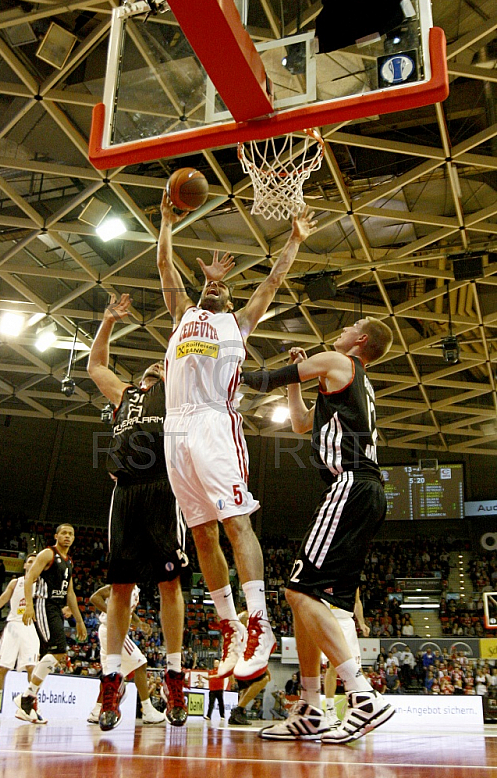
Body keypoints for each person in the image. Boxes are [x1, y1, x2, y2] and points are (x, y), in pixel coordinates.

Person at [157, 191, 318, 681]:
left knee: (233, 523)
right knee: (201, 531)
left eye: (223, 292)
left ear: (228, 300)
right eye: (211, 289)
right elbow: (165, 267)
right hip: (175, 426)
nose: (215, 293)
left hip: (213, 421)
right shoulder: (183, 313)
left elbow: (273, 280)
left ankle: (258, 622)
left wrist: (293, 240)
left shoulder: (238, 322)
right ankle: (229, 625)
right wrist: (167, 221)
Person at [240, 316, 395, 743]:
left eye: (353, 325)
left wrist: (223, 371)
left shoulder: (337, 360)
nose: (344, 326)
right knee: (306, 599)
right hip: (364, 490)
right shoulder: (351, 378)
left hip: (349, 484)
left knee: (297, 591)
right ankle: (310, 708)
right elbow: (302, 424)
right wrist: (298, 383)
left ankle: (362, 697)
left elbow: (264, 377)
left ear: (360, 340)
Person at [87, 298, 188, 729]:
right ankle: (111, 679)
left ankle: (176, 675)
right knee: (120, 588)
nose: (156, 372)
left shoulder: (179, 393)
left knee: (169, 584)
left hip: (165, 488)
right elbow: (95, 366)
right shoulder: (125, 396)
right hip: (126, 491)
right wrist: (108, 322)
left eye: (161, 369)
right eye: (151, 371)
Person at [14, 523, 87, 724]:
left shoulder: (69, 562)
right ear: (56, 535)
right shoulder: (48, 554)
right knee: (58, 650)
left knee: (57, 652)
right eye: (63, 533)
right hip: (44, 604)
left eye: (71, 534)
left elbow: (70, 593)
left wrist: (79, 621)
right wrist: (29, 605)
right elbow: (29, 579)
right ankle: (26, 699)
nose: (67, 536)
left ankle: (27, 699)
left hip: (56, 607)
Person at [86, 584, 165, 726]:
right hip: (113, 630)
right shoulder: (119, 584)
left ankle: (97, 710)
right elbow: (94, 598)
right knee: (141, 663)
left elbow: (128, 611)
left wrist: (139, 623)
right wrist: (112, 613)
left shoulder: (134, 588)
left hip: (109, 630)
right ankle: (148, 710)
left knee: (109, 675)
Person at [0, 553, 40, 721]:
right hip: (14, 626)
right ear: (24, 565)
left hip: (30, 627)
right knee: (3, 668)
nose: (32, 563)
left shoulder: (43, 584)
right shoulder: (15, 582)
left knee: (33, 668)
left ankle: (31, 708)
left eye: (36, 561)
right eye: (29, 561)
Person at [323, 588, 369, 729]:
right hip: (329, 621)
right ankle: (329, 711)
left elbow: (356, 601)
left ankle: (361, 708)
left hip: (347, 623)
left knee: (356, 668)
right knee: (332, 667)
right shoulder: (323, 577)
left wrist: (361, 622)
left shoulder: (351, 577)